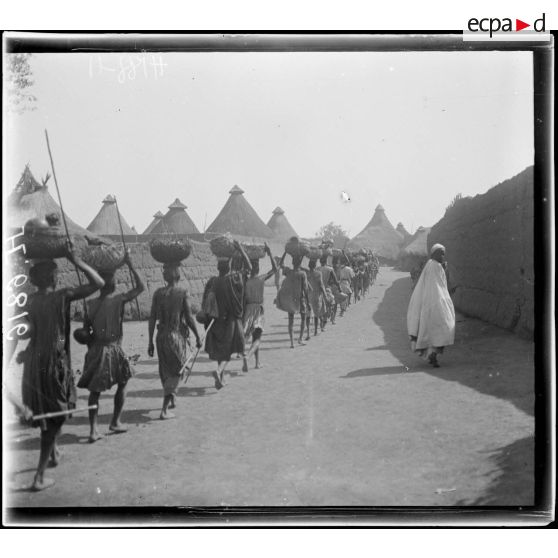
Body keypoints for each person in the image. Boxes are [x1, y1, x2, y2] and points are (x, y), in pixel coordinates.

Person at [20, 247, 105, 491]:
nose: (59, 277)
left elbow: (31, 331)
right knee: (55, 416)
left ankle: (54, 453)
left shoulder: (31, 300)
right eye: (56, 273)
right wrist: (75, 260)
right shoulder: (62, 296)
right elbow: (97, 282)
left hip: (34, 363)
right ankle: (38, 476)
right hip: (54, 362)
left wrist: (28, 352)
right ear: (52, 277)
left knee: (45, 409)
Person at [78, 251, 145, 442]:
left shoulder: (90, 304)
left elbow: (86, 332)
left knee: (95, 392)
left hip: (95, 350)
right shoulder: (119, 300)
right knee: (123, 382)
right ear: (110, 283)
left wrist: (91, 347)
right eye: (113, 279)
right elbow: (140, 287)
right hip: (113, 349)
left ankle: (93, 430)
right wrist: (130, 264)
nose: (115, 282)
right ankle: (115, 421)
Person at [148, 261, 202, 419]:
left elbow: (152, 319)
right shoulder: (182, 292)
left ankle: (171, 398)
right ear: (178, 274)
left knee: (165, 369)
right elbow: (189, 318)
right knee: (178, 370)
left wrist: (150, 341)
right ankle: (164, 410)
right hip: (174, 336)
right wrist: (198, 336)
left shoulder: (158, 293)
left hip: (160, 337)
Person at [204, 240, 251, 389]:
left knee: (221, 351)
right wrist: (241, 249)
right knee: (228, 351)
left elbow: (206, 302)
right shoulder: (234, 279)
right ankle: (218, 371)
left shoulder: (213, 281)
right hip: (230, 322)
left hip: (216, 322)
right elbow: (249, 267)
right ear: (229, 265)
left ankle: (221, 379)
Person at [407, 243, 455, 368]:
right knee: (445, 328)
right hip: (437, 303)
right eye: (441, 253)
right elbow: (440, 287)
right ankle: (433, 354)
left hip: (429, 304)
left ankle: (431, 354)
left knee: (433, 331)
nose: (443, 256)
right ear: (435, 254)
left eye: (444, 254)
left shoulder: (430, 265)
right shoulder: (437, 266)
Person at [242, 243, 277, 372]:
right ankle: (248, 356)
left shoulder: (245, 280)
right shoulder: (261, 279)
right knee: (257, 339)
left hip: (248, 311)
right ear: (258, 268)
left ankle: (257, 363)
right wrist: (270, 253)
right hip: (258, 311)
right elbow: (275, 269)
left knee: (254, 336)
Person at [275, 252, 310, 348]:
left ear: (292, 263)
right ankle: (300, 339)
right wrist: (308, 302)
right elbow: (305, 289)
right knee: (303, 318)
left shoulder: (289, 271)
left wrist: (285, 252)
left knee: (291, 321)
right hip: (300, 299)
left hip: (291, 299)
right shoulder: (303, 273)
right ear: (300, 264)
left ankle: (291, 342)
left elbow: (281, 264)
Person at [317, 252, 340, 329]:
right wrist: (339, 288)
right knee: (333, 304)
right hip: (327, 289)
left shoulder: (317, 269)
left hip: (318, 290)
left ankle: (322, 321)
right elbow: (336, 281)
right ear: (326, 261)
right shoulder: (330, 269)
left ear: (320, 262)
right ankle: (331, 320)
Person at [305, 258, 327, 338]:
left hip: (308, 296)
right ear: (315, 266)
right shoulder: (318, 273)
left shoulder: (306, 273)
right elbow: (321, 285)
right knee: (316, 314)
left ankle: (307, 332)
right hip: (316, 296)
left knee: (308, 315)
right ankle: (315, 331)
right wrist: (325, 295)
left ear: (308, 266)